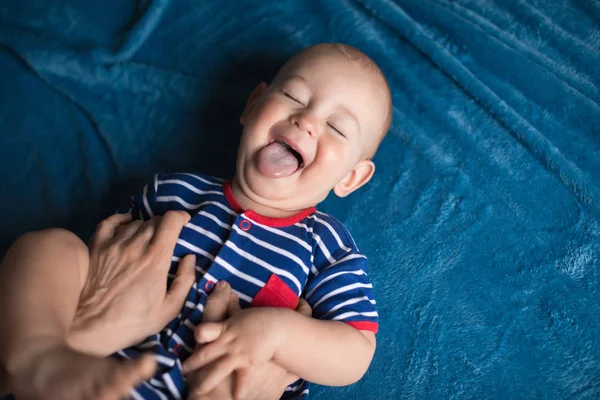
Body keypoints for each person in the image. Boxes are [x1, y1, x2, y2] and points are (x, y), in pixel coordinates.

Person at [0, 42, 393, 399]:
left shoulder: (325, 245)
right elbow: (101, 265)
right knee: (53, 247)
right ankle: (39, 354)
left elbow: (356, 351)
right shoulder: (172, 191)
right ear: (254, 104)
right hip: (89, 375)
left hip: (200, 387)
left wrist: (278, 334)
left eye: (337, 128)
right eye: (293, 96)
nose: (306, 121)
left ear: (351, 177)